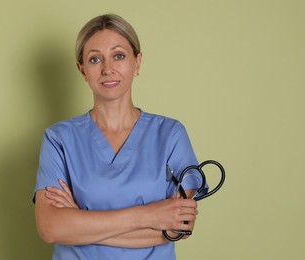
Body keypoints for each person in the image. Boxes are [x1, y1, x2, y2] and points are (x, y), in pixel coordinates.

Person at [33, 14, 206, 259]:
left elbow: (180, 228)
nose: (108, 69)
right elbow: (51, 228)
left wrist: (80, 221)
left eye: (119, 56)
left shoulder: (170, 135)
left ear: (137, 62)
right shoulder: (59, 139)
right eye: (95, 59)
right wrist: (149, 215)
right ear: (81, 69)